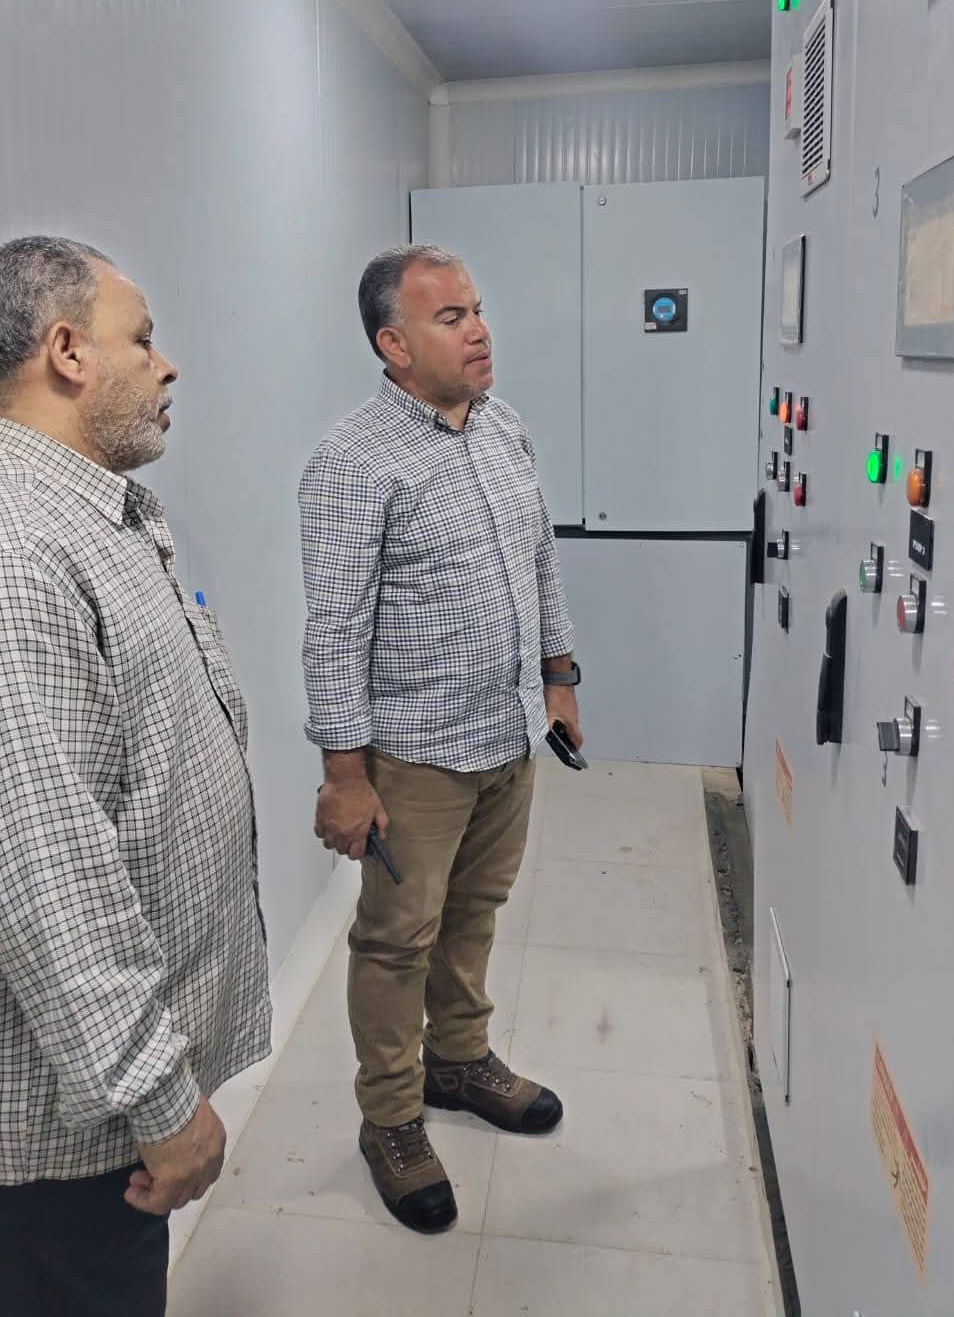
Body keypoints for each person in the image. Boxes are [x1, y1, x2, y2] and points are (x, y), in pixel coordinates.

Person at [0, 236, 271, 1316]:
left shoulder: (90, 520)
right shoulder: (5, 563)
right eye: (142, 339)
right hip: (37, 1147)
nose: (166, 365)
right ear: (68, 352)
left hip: (81, 1119)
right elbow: (49, 880)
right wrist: (162, 1099)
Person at [298, 243, 583, 1234]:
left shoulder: (504, 427)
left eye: (477, 309)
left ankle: (458, 1059)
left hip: (508, 732)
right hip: (414, 755)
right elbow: (333, 631)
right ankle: (391, 1119)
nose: (479, 330)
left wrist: (558, 677)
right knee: (396, 940)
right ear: (394, 343)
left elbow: (541, 561)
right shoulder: (352, 461)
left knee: (476, 909)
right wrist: (345, 777)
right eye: (451, 316)